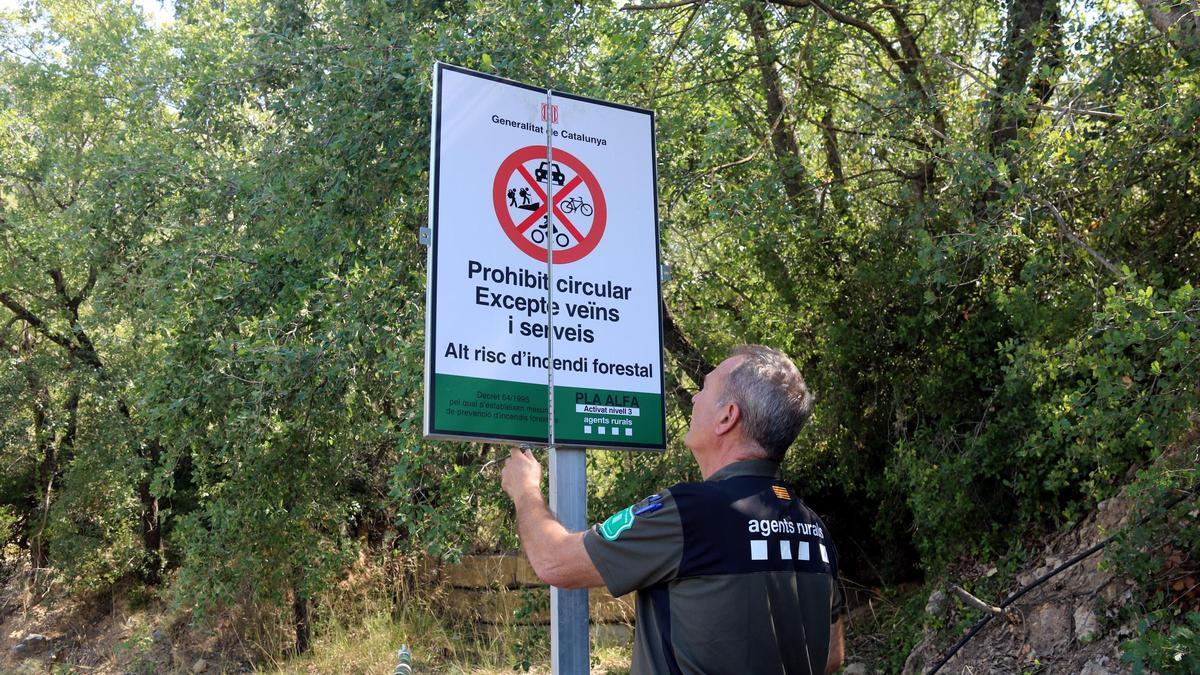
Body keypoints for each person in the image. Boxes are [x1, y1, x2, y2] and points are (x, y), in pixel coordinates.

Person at [500, 345, 846, 674]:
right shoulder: (812, 527)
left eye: (705, 388)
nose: (694, 397)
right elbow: (831, 655)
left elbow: (555, 562)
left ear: (727, 417)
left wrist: (526, 489)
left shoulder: (690, 512)